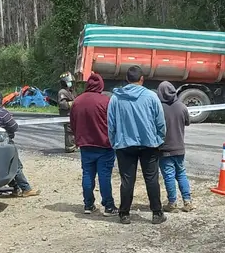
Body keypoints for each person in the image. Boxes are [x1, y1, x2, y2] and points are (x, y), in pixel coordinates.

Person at [107, 65, 167, 225]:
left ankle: (124, 214)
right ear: (142, 79)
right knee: (151, 179)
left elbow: (110, 124)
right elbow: (160, 122)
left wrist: (114, 142)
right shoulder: (151, 97)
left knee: (127, 180)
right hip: (149, 144)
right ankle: (156, 213)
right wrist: (160, 139)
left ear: (127, 79)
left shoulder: (116, 98)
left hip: (124, 144)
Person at [70, 73, 116, 215]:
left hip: (85, 145)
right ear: (101, 85)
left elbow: (73, 123)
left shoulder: (77, 101)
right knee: (104, 176)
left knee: (87, 175)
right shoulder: (106, 101)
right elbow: (113, 123)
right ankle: (109, 206)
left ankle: (88, 205)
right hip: (104, 145)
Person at [0, 92, 39, 198]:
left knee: (5, 166)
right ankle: (26, 189)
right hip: (3, 143)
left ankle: (15, 188)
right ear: (2, 101)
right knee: (15, 165)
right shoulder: (3, 113)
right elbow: (14, 127)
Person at [156, 81, 193, 212]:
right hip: (180, 147)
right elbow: (187, 122)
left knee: (169, 175)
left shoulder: (158, 108)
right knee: (181, 173)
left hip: (164, 148)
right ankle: (187, 201)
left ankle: (172, 202)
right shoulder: (182, 107)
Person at [58, 72, 77, 153]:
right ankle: (69, 146)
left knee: (74, 129)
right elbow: (62, 104)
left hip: (72, 114)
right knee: (69, 131)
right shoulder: (62, 92)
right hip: (66, 114)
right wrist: (73, 103)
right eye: (70, 82)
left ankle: (74, 144)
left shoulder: (71, 91)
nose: (71, 84)